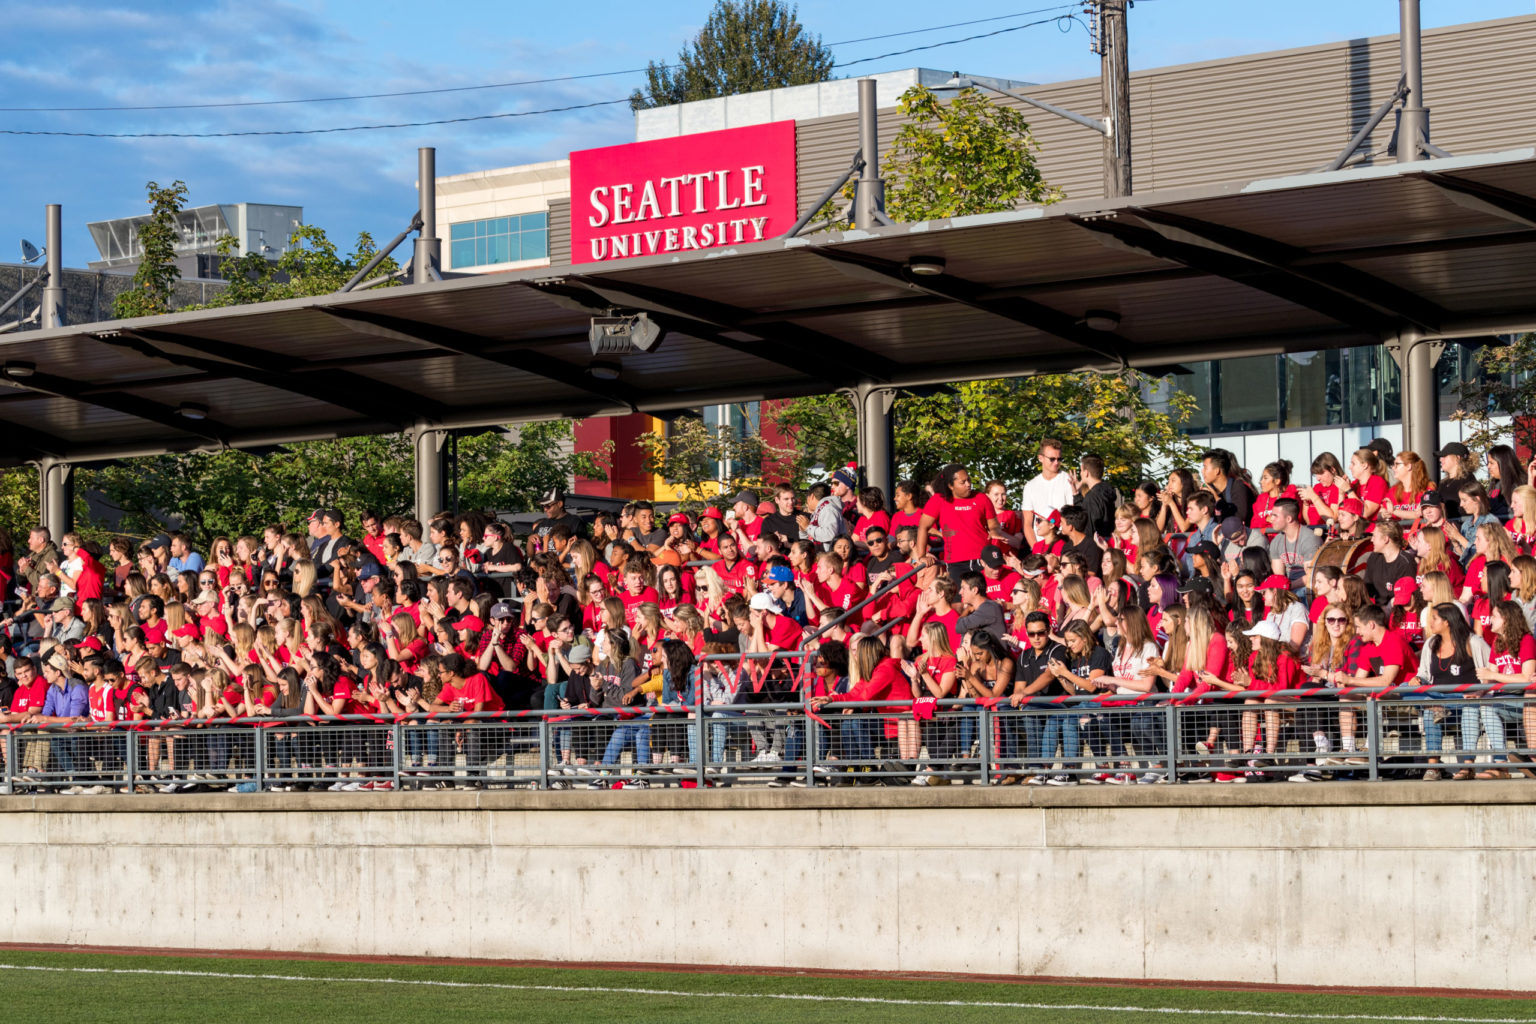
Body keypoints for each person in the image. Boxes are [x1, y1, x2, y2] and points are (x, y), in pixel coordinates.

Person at [1021, 438, 1076, 549]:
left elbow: (1073, 517)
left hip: (1063, 545)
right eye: (1052, 459)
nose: (1056, 462)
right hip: (1039, 546)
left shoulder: (1068, 481)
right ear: (1040, 458)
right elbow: (1027, 523)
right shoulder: (1030, 486)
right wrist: (1036, 549)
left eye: (1059, 459)